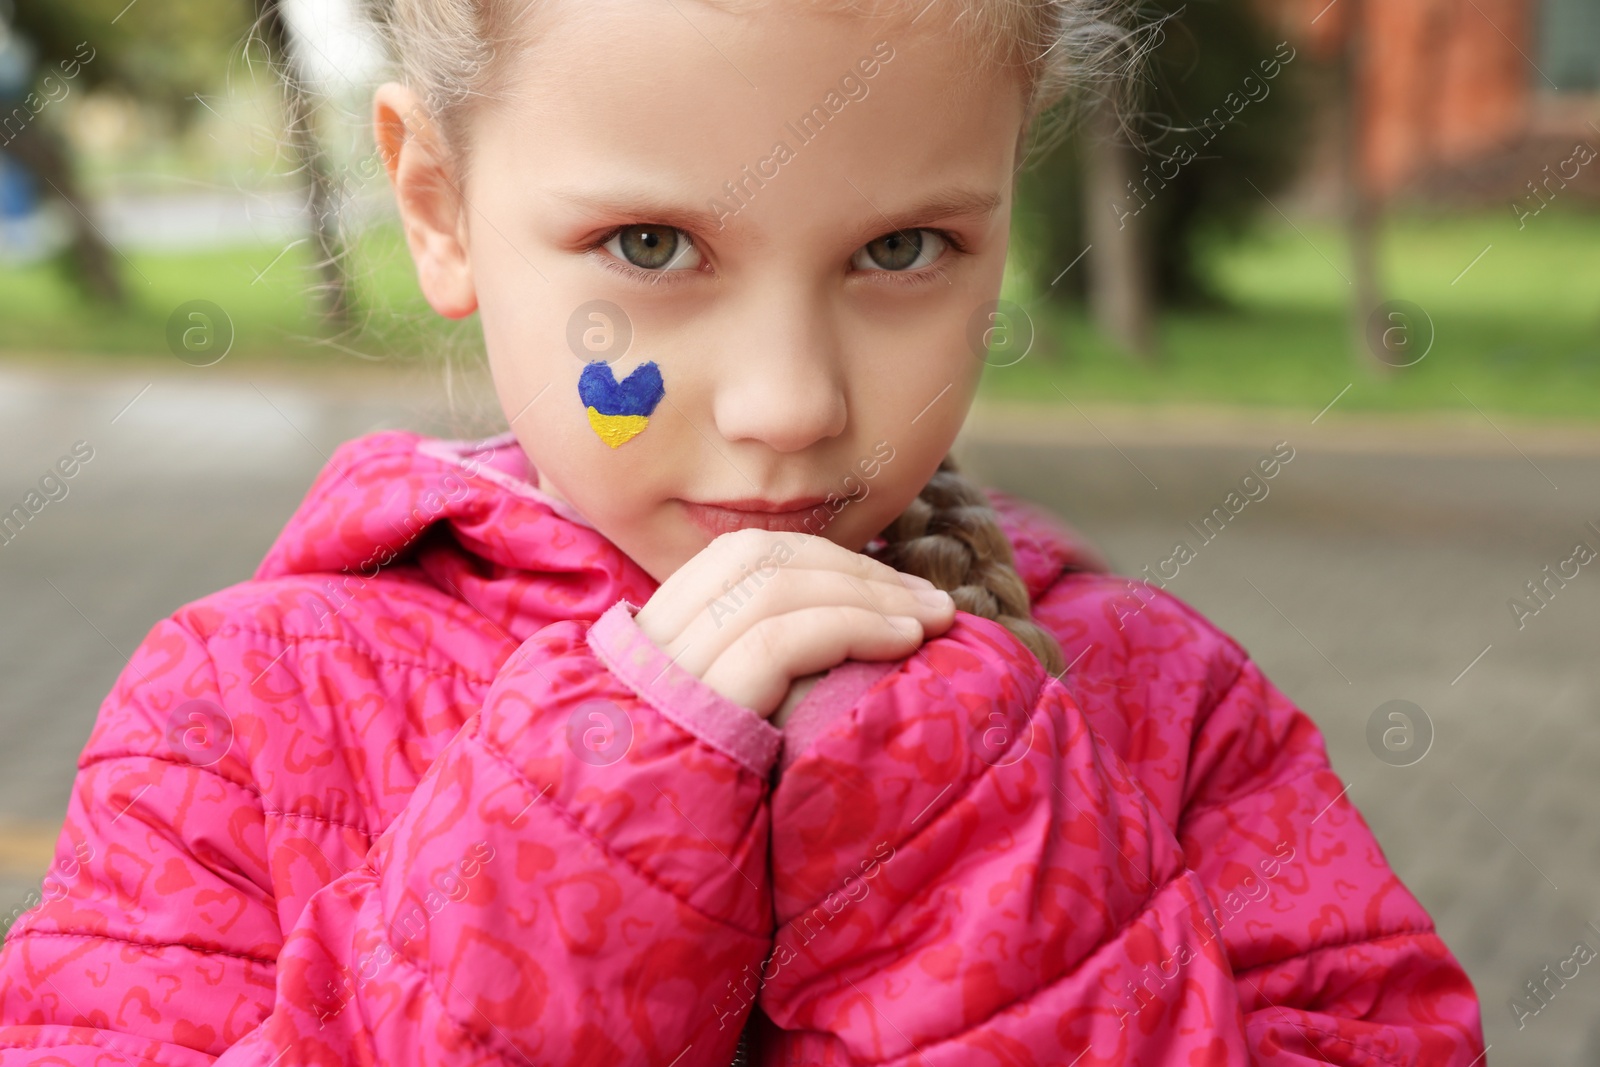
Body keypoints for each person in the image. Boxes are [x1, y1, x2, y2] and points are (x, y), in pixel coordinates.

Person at [0, 1, 1484, 1063]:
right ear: (438, 206)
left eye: (903, 249)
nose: (789, 405)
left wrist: (972, 840)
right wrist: (574, 846)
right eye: (651, 247)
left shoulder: (1167, 705)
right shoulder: (236, 714)